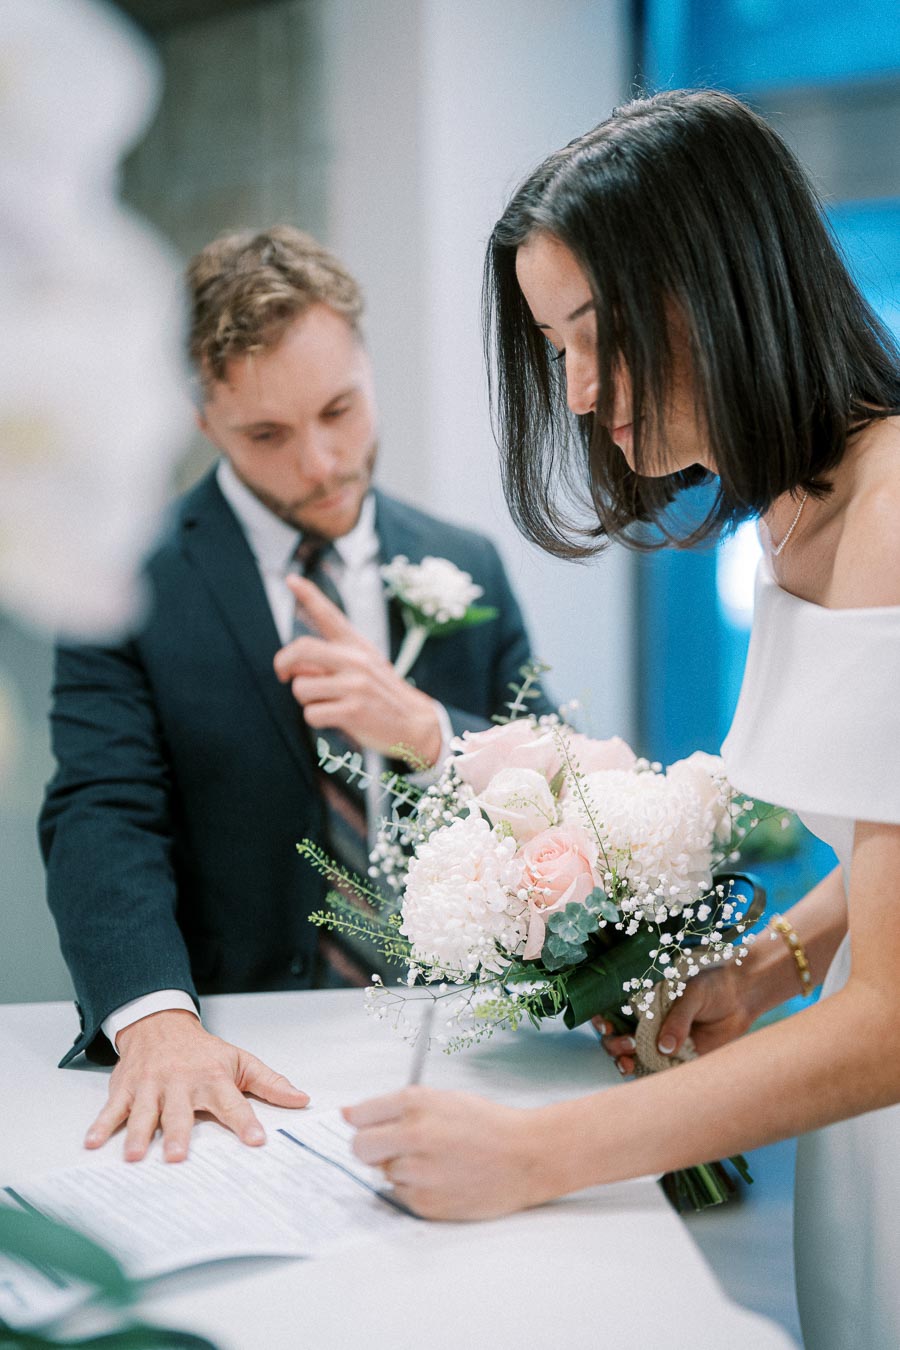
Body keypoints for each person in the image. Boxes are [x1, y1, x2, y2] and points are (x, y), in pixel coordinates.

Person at [343, 90, 900, 1349]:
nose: (582, 394)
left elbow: (896, 1020)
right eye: (554, 349)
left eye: (595, 334)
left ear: (724, 281)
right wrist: (766, 967)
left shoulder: (893, 514)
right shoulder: (797, 514)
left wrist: (540, 1153)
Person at [39, 226, 550, 1166]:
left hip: (466, 1052)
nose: (320, 463)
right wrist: (155, 1022)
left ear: (366, 368)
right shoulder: (121, 581)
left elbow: (560, 792)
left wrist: (423, 729)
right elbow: (102, 813)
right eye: (267, 434)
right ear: (201, 418)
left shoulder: (465, 564)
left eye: (340, 410)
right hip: (235, 1060)